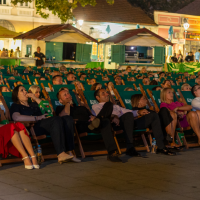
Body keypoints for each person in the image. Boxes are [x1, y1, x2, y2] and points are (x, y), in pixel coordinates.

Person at [9, 85, 77, 164]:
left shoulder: (33, 104)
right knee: (56, 119)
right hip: (32, 127)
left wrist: (35, 98)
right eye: (22, 90)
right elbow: (16, 117)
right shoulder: (16, 106)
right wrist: (37, 118)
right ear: (17, 95)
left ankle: (69, 152)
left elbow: (50, 111)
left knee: (68, 119)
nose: (25, 91)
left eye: (25, 90)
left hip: (46, 125)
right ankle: (61, 153)